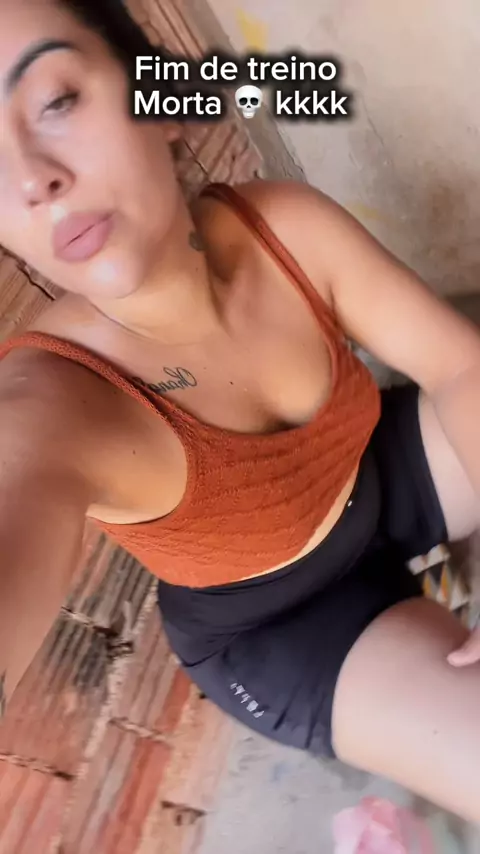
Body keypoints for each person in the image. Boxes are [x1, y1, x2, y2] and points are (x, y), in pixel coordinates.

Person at [1, 0, 480, 825]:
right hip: (284, 628)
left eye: (57, 99)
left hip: (378, 480)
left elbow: (460, 365)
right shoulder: (52, 403)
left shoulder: (284, 225)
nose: (28, 177)